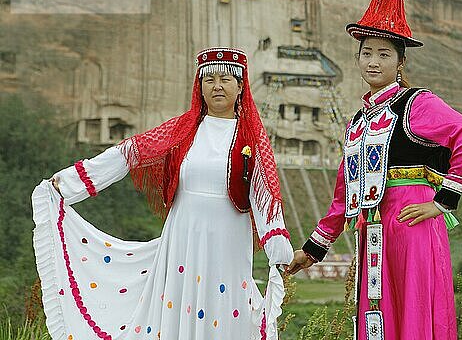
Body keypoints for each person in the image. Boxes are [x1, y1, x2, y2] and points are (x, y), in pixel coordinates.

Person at [32, 47, 293, 340]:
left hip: (228, 242)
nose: (217, 86)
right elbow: (128, 154)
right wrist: (69, 183)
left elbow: (264, 198)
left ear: (241, 85)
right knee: (178, 308)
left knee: (224, 308)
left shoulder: (251, 140)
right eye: (209, 80)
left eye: (225, 79)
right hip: (182, 238)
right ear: (200, 86)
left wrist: (278, 249)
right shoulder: (182, 130)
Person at [287, 0, 462, 340]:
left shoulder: (417, 104)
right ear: (357, 59)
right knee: (378, 319)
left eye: (384, 54)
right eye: (366, 53)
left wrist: (443, 201)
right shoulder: (357, 123)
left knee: (414, 314)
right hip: (374, 232)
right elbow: (344, 196)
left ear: (400, 61)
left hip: (412, 225)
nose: (373, 62)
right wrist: (313, 250)